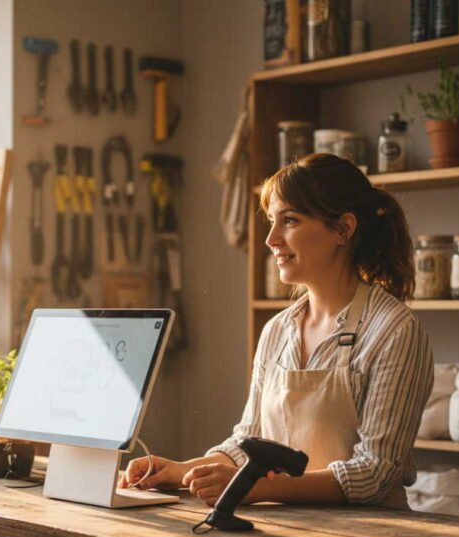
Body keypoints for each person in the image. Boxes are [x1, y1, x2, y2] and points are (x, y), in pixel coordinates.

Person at [120, 154, 434, 509]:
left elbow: (375, 472)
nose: (270, 239)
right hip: (289, 529)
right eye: (272, 221)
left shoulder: (395, 331)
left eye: (289, 220)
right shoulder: (277, 330)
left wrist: (258, 489)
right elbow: (249, 442)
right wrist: (180, 470)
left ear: (344, 230)